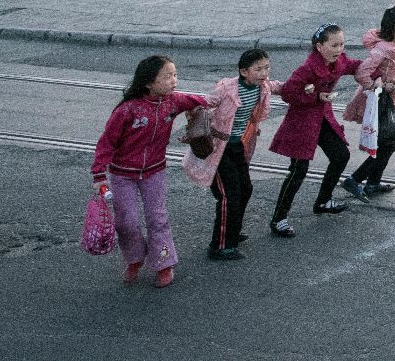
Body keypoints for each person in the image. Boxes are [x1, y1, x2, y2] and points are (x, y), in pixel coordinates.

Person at [91, 55, 211, 289]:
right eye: (167, 76)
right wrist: (98, 175)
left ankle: (164, 263)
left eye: (175, 74)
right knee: (127, 222)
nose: (174, 80)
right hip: (122, 174)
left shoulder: (173, 102)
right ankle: (134, 259)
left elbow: (203, 101)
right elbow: (106, 143)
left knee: (158, 219)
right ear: (148, 82)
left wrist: (199, 108)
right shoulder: (127, 110)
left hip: (155, 171)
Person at [184, 48, 280, 261]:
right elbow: (207, 101)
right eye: (259, 69)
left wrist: (305, 87)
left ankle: (232, 231)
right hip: (219, 149)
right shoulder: (227, 89)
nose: (264, 73)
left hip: (238, 146)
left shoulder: (261, 86)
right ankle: (220, 246)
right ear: (244, 71)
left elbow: (278, 87)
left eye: (267, 67)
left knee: (245, 189)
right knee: (229, 195)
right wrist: (179, 102)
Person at [268, 24, 360, 238]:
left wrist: (376, 65)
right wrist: (316, 97)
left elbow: (353, 65)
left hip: (322, 119)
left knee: (340, 155)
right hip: (302, 123)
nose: (339, 49)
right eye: (334, 45)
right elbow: (289, 93)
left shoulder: (337, 61)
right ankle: (279, 218)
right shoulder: (307, 69)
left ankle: (323, 201)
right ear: (319, 46)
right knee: (298, 170)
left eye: (342, 44)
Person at [343, 5, 395, 198]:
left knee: (390, 141)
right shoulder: (382, 49)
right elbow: (362, 72)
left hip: (392, 97)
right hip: (380, 101)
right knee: (388, 141)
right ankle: (355, 180)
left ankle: (372, 182)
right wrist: (379, 86)